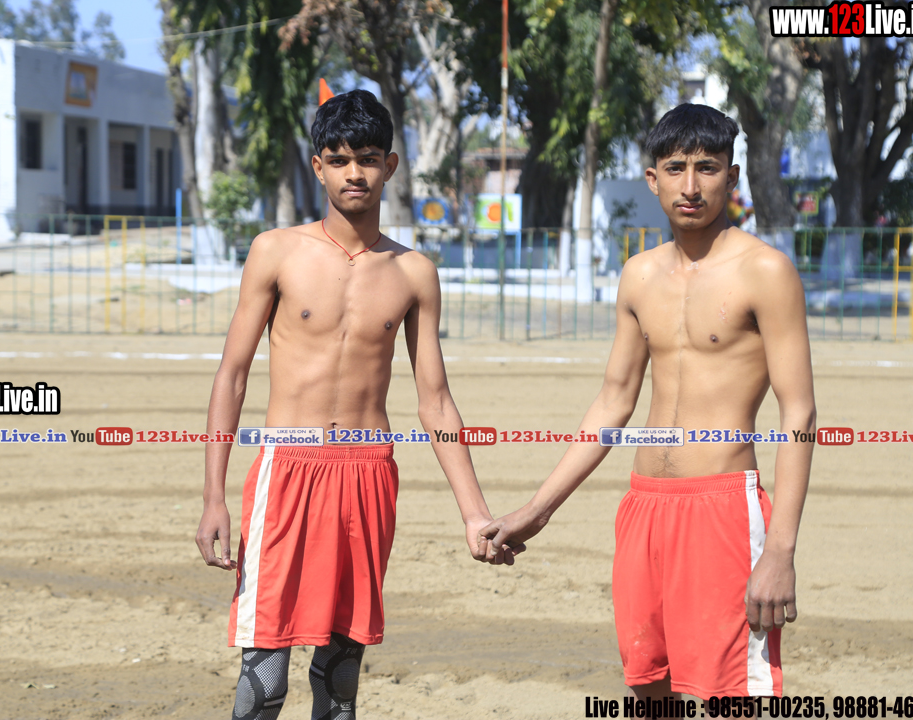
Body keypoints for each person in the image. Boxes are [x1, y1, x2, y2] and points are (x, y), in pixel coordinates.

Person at [195, 89, 519, 720]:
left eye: (368, 159)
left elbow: (436, 402)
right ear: (318, 166)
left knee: (341, 678)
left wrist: (473, 513)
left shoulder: (415, 273)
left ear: (390, 166)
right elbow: (231, 376)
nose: (354, 173)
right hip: (286, 472)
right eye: (339, 159)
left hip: (368, 475)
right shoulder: (276, 251)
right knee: (265, 678)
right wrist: (214, 497)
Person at [480, 103, 816, 700]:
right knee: (648, 689)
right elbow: (614, 403)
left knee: (729, 697)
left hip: (723, 512)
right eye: (676, 168)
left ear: (732, 177)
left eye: (707, 168)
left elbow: (800, 414)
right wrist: (538, 509)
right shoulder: (638, 275)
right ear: (652, 179)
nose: (691, 186)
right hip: (645, 509)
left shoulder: (766, 271)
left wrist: (781, 551)